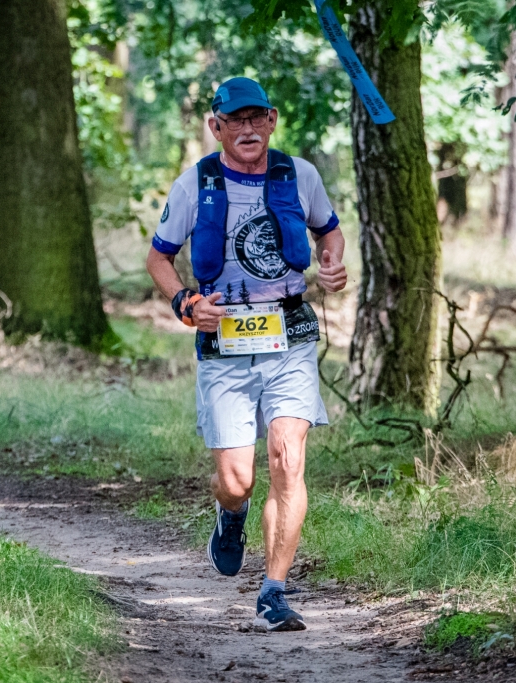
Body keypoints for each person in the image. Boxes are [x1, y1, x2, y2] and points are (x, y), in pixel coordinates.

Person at [145, 77, 347, 632]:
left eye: (257, 117)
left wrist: (332, 263)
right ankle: (230, 512)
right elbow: (159, 258)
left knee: (288, 458)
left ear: (272, 120)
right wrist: (186, 302)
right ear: (217, 127)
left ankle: (273, 592)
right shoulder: (195, 184)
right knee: (238, 481)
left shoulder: (299, 175)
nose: (248, 128)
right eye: (235, 120)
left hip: (290, 335)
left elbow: (330, 233)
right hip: (224, 343)